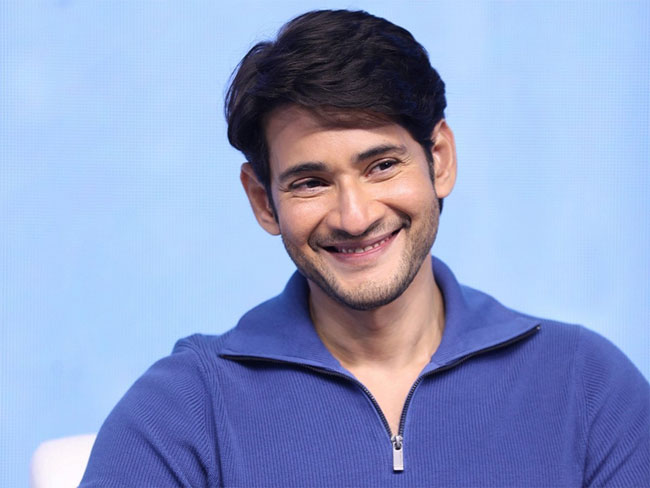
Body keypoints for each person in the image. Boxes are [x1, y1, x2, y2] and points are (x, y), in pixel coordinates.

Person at [80, 9, 649, 487]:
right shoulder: (184, 410)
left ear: (439, 160)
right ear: (262, 200)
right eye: (310, 182)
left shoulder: (587, 386)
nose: (355, 217)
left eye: (382, 166)